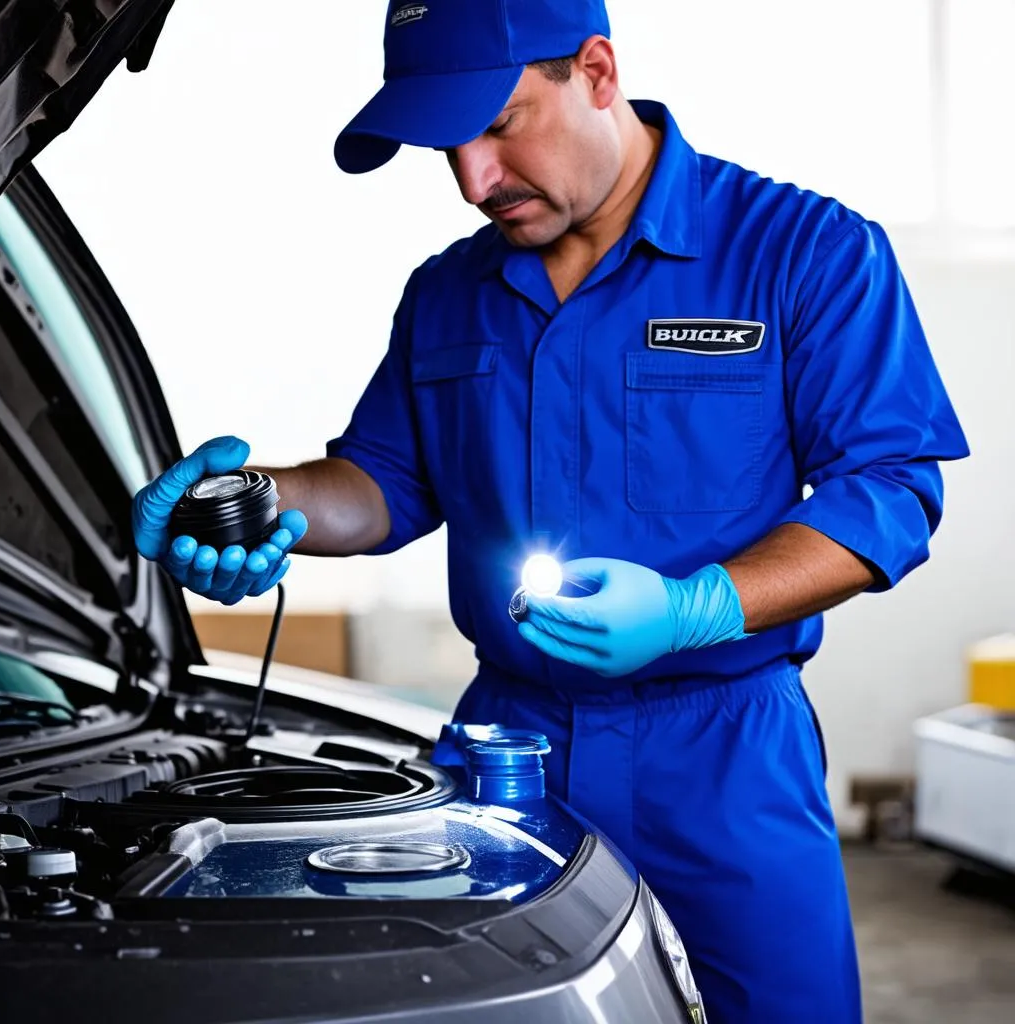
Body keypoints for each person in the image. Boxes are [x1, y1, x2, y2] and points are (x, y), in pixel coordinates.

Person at [131, 2, 969, 1020]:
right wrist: (269, 502)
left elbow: (889, 489)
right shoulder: (447, 292)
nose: (474, 180)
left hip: (725, 755)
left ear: (597, 70)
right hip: (509, 753)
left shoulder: (804, 251)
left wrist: (695, 606)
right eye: (448, 148)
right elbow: (385, 484)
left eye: (500, 124)